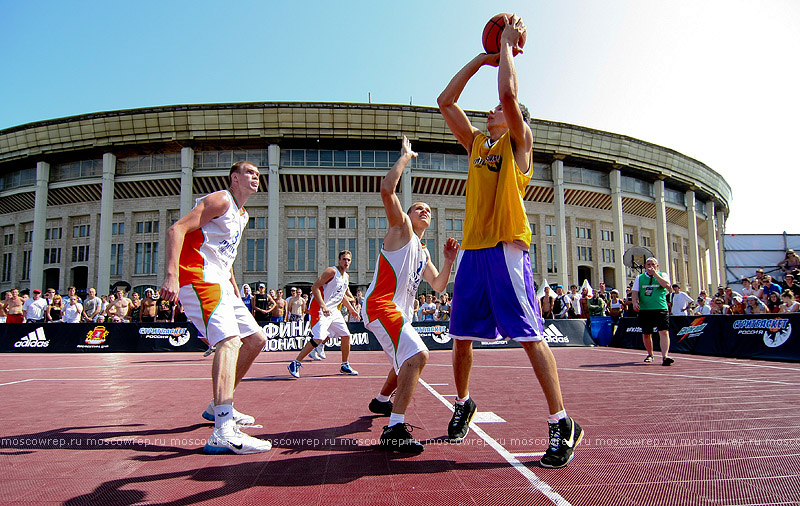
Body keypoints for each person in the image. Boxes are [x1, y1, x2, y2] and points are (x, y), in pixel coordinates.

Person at [437, 14, 582, 469]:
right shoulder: (478, 145)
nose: (491, 110)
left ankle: (562, 422)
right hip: (474, 252)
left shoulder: (519, 146)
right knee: (460, 337)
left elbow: (507, 94)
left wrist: (507, 49)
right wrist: (482, 57)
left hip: (506, 248)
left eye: (499, 111)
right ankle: (463, 402)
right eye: (493, 111)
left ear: (516, 120)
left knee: (529, 337)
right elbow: (445, 101)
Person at [159, 160, 271, 455]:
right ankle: (222, 430)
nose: (256, 177)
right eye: (249, 172)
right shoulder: (221, 199)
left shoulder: (243, 214)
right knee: (229, 341)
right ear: (235, 178)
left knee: (256, 339)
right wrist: (171, 274)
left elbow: (224, 251)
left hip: (221, 280)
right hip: (198, 276)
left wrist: (233, 280)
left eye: (258, 174)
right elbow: (177, 229)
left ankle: (217, 406)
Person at [361, 136, 458, 453]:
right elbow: (387, 191)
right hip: (381, 306)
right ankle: (394, 429)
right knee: (417, 356)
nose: (424, 210)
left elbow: (440, 285)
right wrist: (405, 157)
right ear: (410, 214)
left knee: (403, 361)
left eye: (428, 209)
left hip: (399, 313)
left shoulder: (424, 252)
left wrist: (447, 262)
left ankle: (381, 401)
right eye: (419, 207)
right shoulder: (401, 228)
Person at [288, 250, 360, 378]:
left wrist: (351, 310)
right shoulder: (331, 271)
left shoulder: (346, 277)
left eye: (348, 260)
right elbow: (314, 287)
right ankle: (295, 362)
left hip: (334, 311)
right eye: (344, 259)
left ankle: (345, 364)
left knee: (346, 335)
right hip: (322, 310)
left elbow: (341, 295)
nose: (346, 262)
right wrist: (323, 305)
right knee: (318, 338)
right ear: (339, 260)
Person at [632, 257, 674, 366]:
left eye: (653, 264)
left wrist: (655, 274)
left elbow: (667, 286)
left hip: (660, 308)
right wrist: (635, 302)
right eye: (648, 264)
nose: (651, 266)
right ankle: (650, 354)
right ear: (645, 266)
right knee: (646, 333)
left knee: (663, 331)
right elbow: (635, 292)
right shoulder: (640, 278)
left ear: (657, 266)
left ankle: (665, 356)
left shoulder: (662, 275)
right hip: (645, 309)